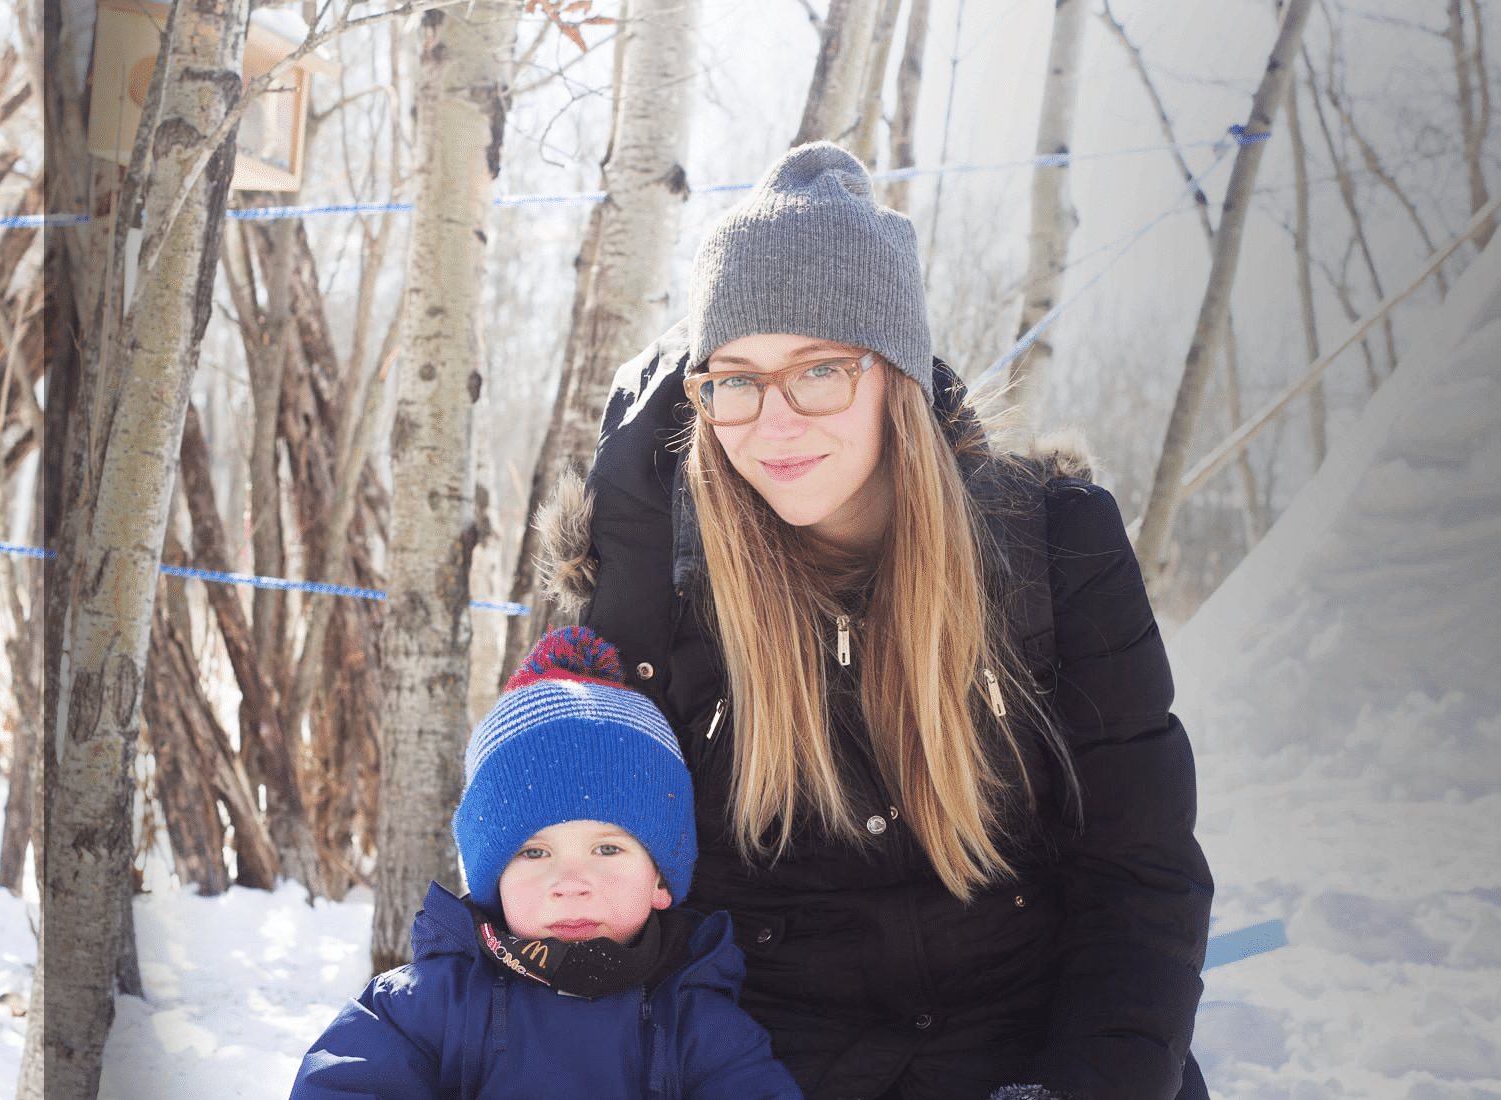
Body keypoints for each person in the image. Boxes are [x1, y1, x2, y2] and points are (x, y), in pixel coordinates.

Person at [541, 142, 1214, 1100]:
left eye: (819, 371)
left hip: (1039, 1038)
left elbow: (1139, 872)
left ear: (894, 374)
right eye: (733, 378)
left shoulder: (1056, 549)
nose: (772, 423)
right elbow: (567, 873)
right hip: (761, 1063)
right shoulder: (663, 590)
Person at [288, 626, 805, 1100]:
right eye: (534, 852)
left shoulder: (699, 1024)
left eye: (608, 849)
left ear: (660, 880)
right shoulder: (424, 1008)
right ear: (495, 882)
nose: (571, 883)